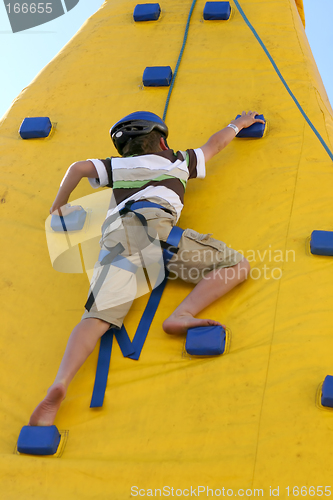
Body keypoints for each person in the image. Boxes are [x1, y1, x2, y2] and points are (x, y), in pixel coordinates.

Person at [29, 110, 265, 426]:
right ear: (163, 141)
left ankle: (60, 382)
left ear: (126, 149)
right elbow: (215, 145)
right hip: (155, 227)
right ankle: (182, 313)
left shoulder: (118, 166)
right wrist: (238, 124)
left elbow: (77, 168)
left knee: (97, 317)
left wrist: (57, 204)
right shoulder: (178, 161)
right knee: (235, 265)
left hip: (116, 240)